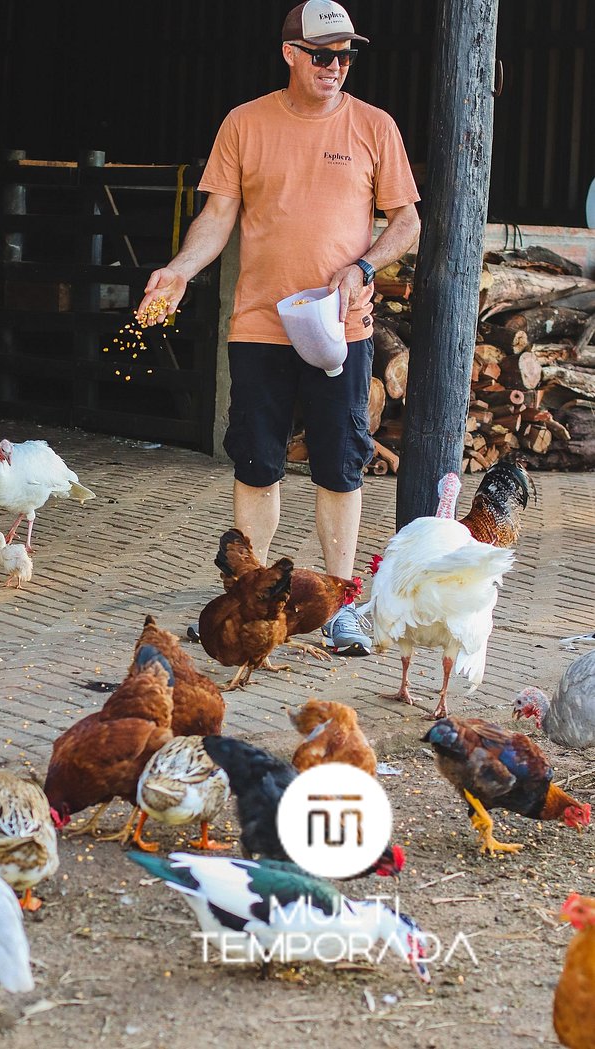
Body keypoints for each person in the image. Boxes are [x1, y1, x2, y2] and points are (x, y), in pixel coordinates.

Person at [137, 0, 420, 656]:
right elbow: (218, 213)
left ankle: (344, 603)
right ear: (290, 52)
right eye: (323, 54)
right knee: (258, 461)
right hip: (262, 324)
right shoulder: (245, 123)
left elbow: (406, 222)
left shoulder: (375, 126)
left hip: (339, 326)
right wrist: (180, 269)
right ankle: (251, 600)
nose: (336, 66)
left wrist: (364, 264)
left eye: (346, 54)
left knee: (339, 464)